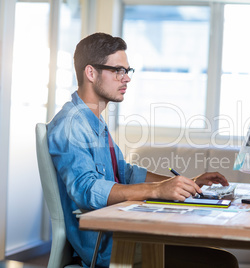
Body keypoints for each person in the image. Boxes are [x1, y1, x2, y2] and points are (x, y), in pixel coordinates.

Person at [47, 32, 239, 268]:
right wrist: (158, 191)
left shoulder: (93, 122)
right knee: (221, 263)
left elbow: (125, 173)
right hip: (108, 248)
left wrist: (186, 183)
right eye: (118, 70)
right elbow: (87, 190)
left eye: (128, 71)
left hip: (121, 234)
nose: (126, 78)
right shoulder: (70, 125)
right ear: (90, 72)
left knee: (218, 257)